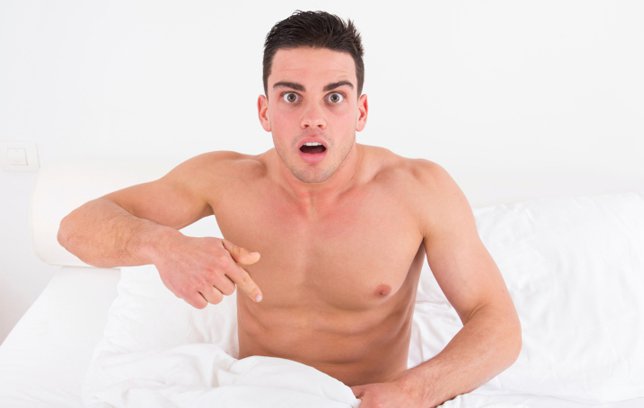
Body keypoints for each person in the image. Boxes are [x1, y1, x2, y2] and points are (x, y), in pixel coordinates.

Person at [57, 10, 521, 408]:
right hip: (256, 393)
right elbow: (75, 228)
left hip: (365, 401)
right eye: (291, 96)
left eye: (334, 97)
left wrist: (415, 390)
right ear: (265, 111)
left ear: (360, 112)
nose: (312, 118)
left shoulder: (420, 190)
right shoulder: (224, 179)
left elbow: (498, 324)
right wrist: (164, 246)